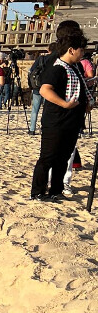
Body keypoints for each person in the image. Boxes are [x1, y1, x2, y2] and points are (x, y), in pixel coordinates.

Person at [31, 32, 93, 201]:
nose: (82, 53)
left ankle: (56, 191)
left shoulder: (75, 68)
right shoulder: (57, 68)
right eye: (81, 50)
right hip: (56, 121)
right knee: (48, 157)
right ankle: (37, 192)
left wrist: (86, 103)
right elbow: (45, 90)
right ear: (71, 50)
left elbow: (79, 89)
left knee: (63, 158)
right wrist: (64, 104)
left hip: (72, 121)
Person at [28, 44, 57, 135]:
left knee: (35, 109)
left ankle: (32, 129)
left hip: (38, 86)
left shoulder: (41, 58)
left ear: (48, 49)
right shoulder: (56, 59)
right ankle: (45, 128)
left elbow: (31, 70)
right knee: (47, 109)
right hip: (50, 87)